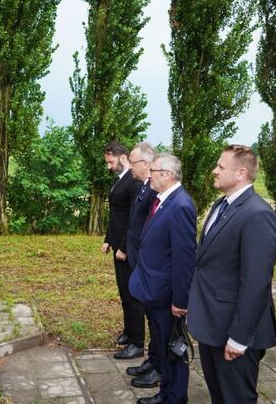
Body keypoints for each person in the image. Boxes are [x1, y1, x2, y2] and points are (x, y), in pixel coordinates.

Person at [187, 145, 276, 403]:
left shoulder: (258, 214)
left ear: (240, 173)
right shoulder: (222, 204)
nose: (214, 171)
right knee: (220, 395)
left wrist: (239, 339)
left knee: (236, 398)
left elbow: (256, 283)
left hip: (235, 330)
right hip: (212, 323)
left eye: (220, 166)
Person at [129, 154, 197, 404]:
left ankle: (175, 398)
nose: (149, 175)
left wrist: (181, 300)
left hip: (167, 295)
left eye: (154, 171)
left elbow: (184, 258)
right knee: (162, 345)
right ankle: (166, 393)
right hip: (154, 290)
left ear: (167, 174)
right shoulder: (163, 200)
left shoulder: (180, 205)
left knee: (173, 350)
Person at [102, 141, 145, 359]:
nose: (109, 166)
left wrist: (125, 247)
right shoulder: (120, 180)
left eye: (111, 162)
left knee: (133, 295)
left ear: (123, 157)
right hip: (118, 246)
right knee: (124, 293)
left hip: (128, 250)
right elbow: (116, 215)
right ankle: (129, 332)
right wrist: (109, 239)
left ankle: (138, 342)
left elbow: (135, 219)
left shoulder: (134, 182)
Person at [124, 142, 162, 388]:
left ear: (146, 164)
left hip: (148, 264)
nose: (130, 167)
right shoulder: (144, 187)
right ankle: (153, 359)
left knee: (158, 319)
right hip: (138, 259)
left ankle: (159, 366)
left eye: (133, 162)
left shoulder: (154, 192)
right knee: (150, 316)